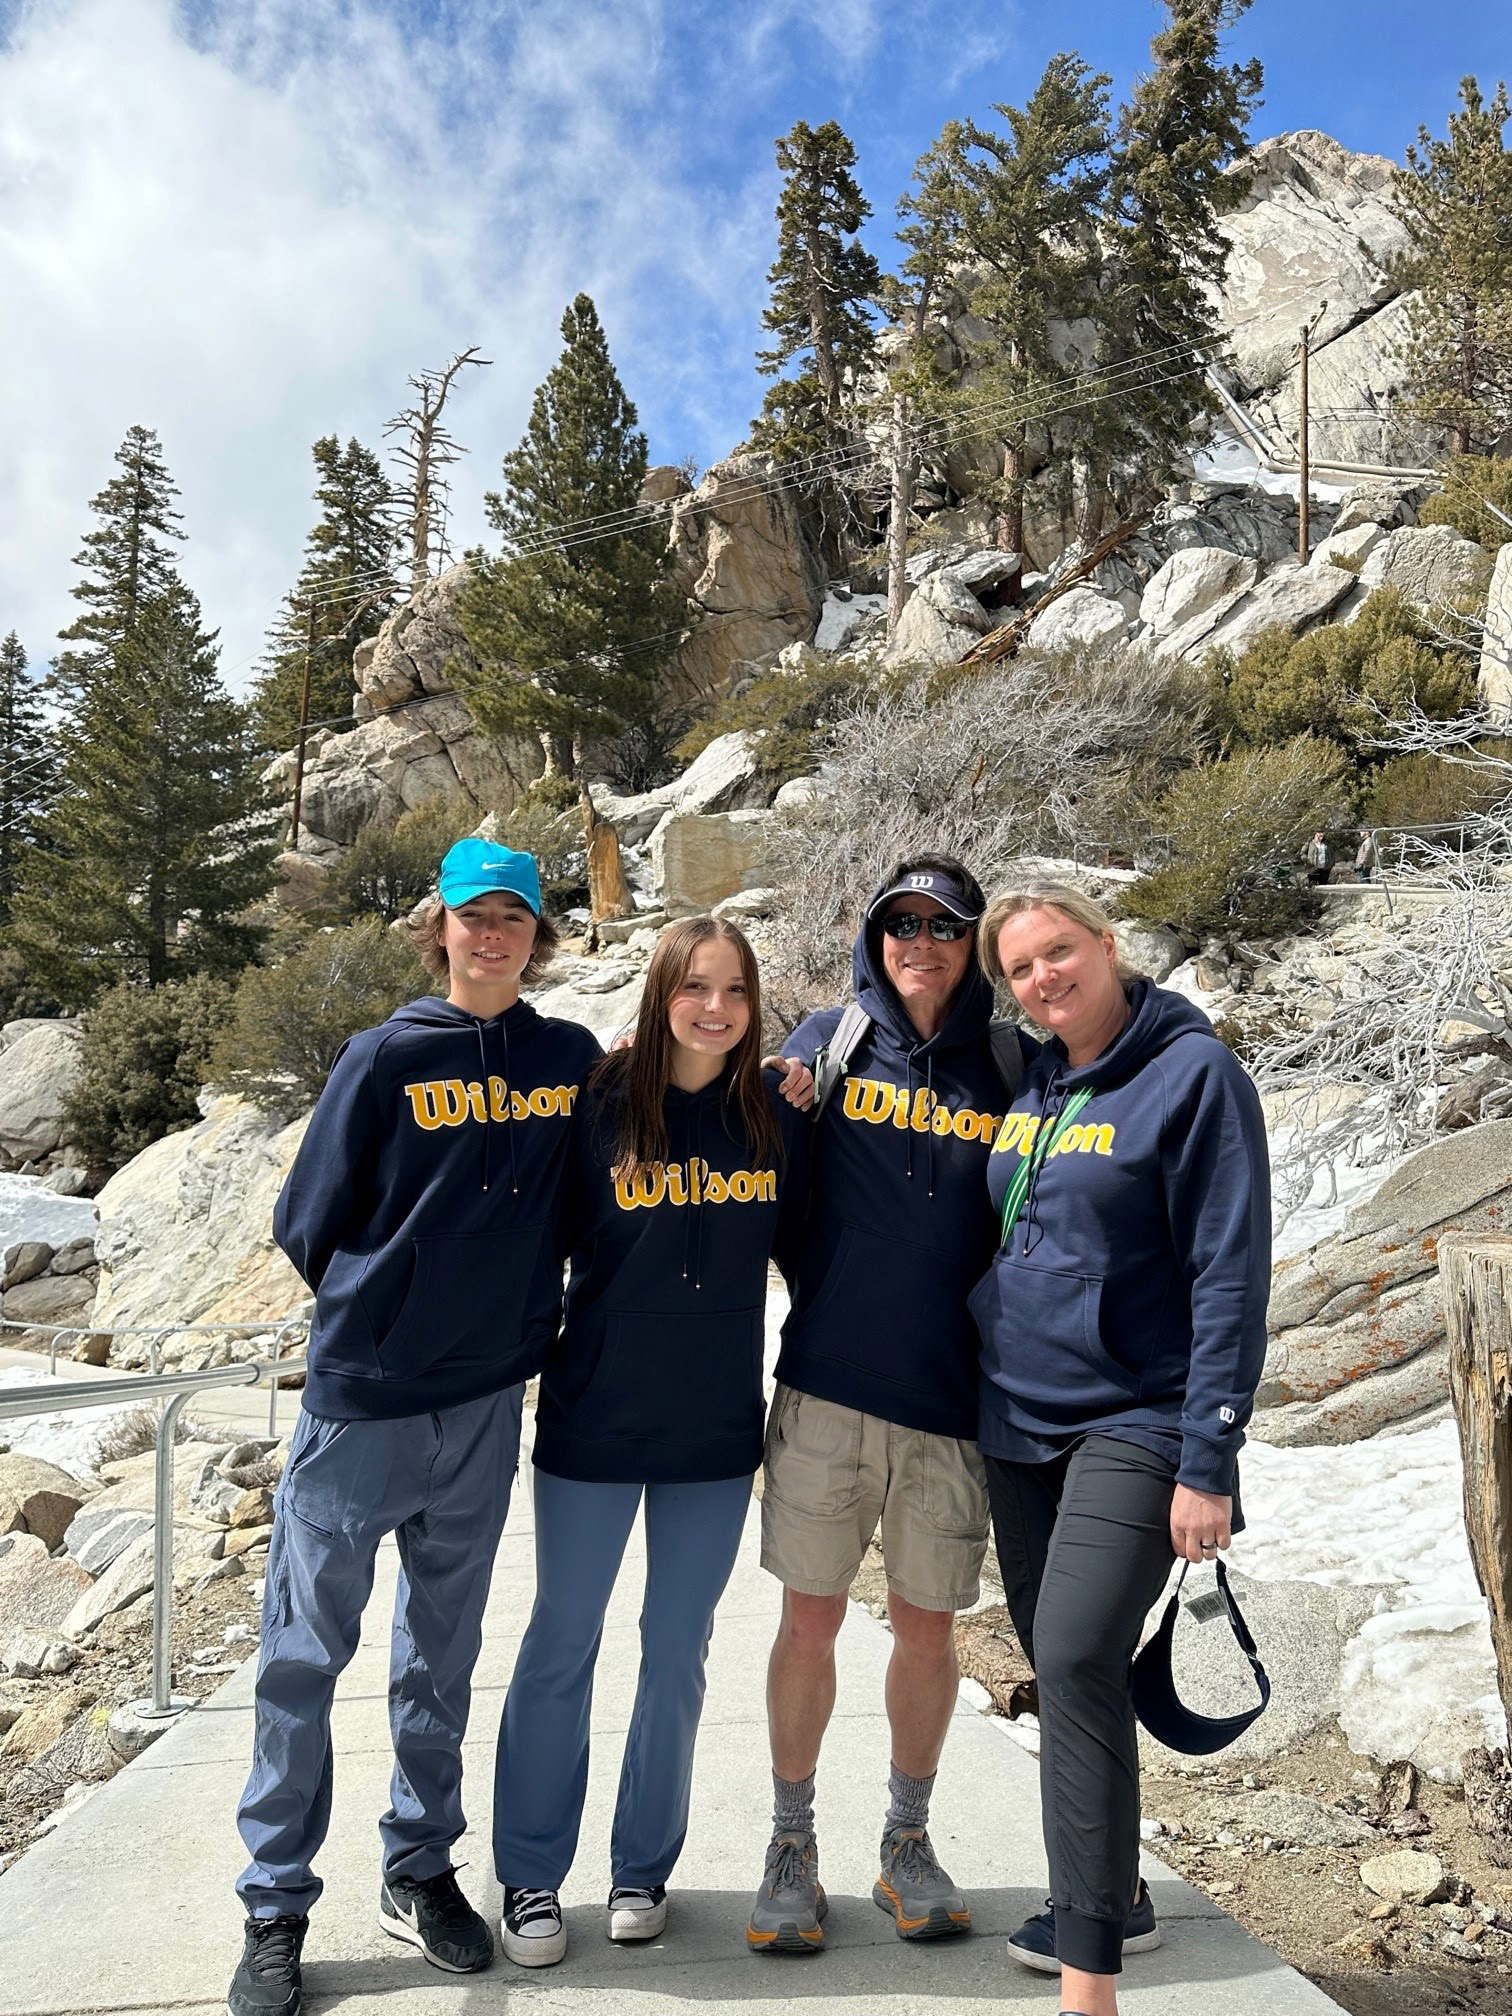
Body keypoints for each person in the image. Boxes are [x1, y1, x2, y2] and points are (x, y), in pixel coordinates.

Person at [229, 839, 601, 2016]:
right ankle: (275, 1904)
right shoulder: (383, 1057)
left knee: (439, 1661)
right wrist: (389, 1313)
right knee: (301, 1662)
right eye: (471, 914)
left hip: (487, 1410)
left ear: (539, 935)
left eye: (514, 917)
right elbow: (308, 1222)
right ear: (437, 926)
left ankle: (420, 1864)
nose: (491, 934)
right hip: (363, 1410)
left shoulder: (567, 1057)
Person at [970, 878, 1270, 2016]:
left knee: (1084, 1649)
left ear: (1108, 942)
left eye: (1059, 952)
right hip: (1017, 1420)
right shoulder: (1036, 1077)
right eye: (1022, 969)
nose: (1044, 978)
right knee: (1066, 1671)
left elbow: (1231, 1278)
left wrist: (1211, 1461)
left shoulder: (1194, 1077)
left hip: (1136, 1419)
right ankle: (1111, 1895)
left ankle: (1088, 1986)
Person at [493, 919, 810, 1967]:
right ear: (661, 992)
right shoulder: (598, 1106)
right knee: (561, 1645)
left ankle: (642, 1867)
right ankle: (531, 1876)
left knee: (677, 1654)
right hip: (592, 1417)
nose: (714, 1008)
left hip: (714, 1434)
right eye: (694, 987)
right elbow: (528, 1239)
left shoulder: (775, 1118)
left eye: (734, 991)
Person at [749, 853, 1032, 1954]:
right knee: (810, 1620)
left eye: (946, 927)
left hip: (951, 1403)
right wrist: (635, 1052)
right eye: (900, 924)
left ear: (973, 945)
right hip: (826, 1386)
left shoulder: (1011, 1063)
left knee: (929, 1629)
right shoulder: (828, 1041)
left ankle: (905, 1842)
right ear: (874, 937)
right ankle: (790, 1846)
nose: (921, 944)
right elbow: (727, 1113)